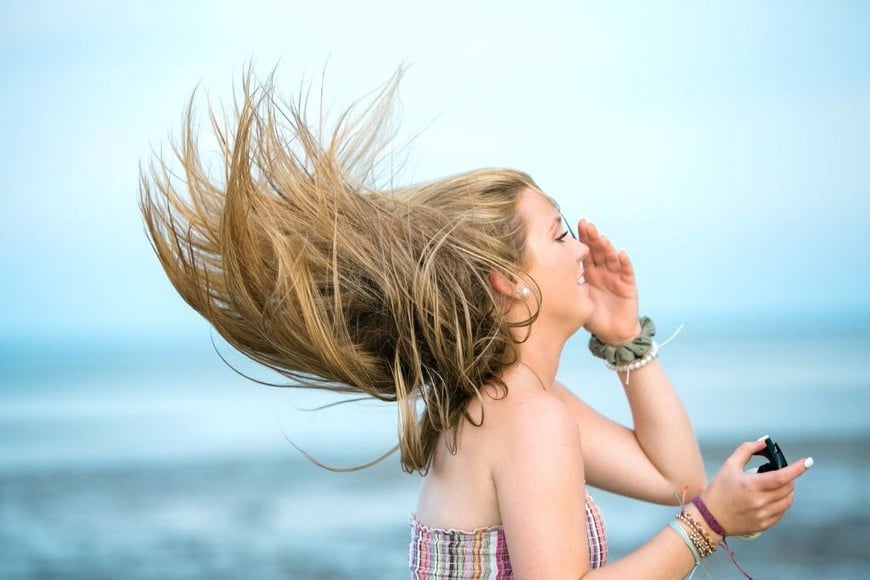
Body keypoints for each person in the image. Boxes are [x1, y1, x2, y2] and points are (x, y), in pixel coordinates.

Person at [140, 69, 812, 579]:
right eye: (557, 235)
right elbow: (692, 503)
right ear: (508, 280)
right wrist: (705, 529)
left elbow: (676, 477)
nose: (582, 247)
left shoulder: (515, 402)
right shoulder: (529, 419)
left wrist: (625, 339)